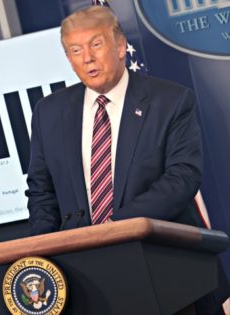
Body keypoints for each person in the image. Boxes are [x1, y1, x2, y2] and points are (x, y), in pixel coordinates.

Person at [25, 6, 229, 314]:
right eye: (75, 50)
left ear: (120, 47)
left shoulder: (170, 100)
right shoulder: (48, 112)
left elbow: (182, 178)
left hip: (170, 271)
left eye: (96, 44)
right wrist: (47, 250)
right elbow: (41, 190)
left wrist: (112, 230)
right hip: (87, 280)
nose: (87, 58)